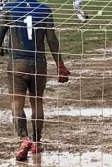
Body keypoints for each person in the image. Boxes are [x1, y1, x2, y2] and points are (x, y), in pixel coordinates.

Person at [0, 0, 71, 161]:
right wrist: (60, 65)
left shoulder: (9, 8)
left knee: (16, 103)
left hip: (17, 64)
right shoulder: (44, 9)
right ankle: (36, 142)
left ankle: (24, 140)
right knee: (37, 102)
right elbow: (52, 40)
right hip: (38, 64)